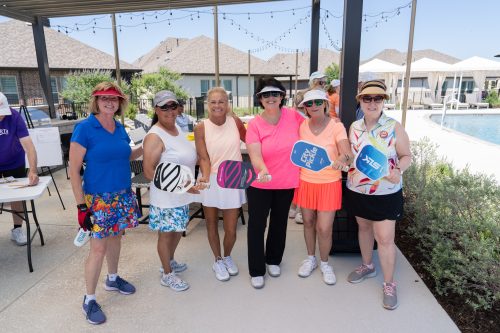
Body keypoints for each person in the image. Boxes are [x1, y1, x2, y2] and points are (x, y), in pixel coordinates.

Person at [69, 82, 143, 325]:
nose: (110, 103)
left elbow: (125, 156)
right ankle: (89, 299)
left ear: (120, 103)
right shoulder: (84, 128)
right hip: (98, 199)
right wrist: (82, 207)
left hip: (122, 195)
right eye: (104, 99)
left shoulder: (120, 128)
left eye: (114, 99)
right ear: (96, 101)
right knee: (98, 249)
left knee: (116, 239)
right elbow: (73, 170)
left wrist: (147, 145)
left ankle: (112, 278)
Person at [345, 80, 411, 310]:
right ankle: (367, 265)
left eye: (377, 98)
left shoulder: (394, 126)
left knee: (384, 239)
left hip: (386, 193)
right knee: (363, 229)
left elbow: (407, 156)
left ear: (384, 101)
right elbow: (353, 158)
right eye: (367, 98)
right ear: (360, 101)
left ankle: (389, 283)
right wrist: (341, 162)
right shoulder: (354, 127)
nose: (372, 102)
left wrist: (398, 170)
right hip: (358, 189)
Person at [245, 77, 305, 289]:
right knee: (256, 225)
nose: (271, 98)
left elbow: (311, 134)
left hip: (286, 181)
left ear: (281, 97)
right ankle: (256, 269)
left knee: (280, 224)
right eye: (266, 95)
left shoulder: (294, 117)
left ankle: (273, 260)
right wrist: (262, 169)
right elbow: (254, 154)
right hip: (260, 183)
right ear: (260, 99)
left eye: (275, 94)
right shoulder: (254, 125)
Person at [143, 90, 201, 292]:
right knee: (166, 235)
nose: (170, 110)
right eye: (164, 107)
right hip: (166, 198)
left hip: (182, 196)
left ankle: (170, 260)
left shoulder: (177, 128)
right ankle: (167, 274)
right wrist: (185, 185)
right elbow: (149, 172)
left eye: (173, 106)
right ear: (156, 109)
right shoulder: (154, 135)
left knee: (177, 230)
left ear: (179, 108)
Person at [294, 89, 353, 285]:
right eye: (309, 104)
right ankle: (311, 258)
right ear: (305, 108)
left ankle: (325, 263)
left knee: (324, 228)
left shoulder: (337, 126)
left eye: (318, 102)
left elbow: (347, 153)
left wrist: (341, 158)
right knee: (308, 222)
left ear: (326, 103)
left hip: (329, 183)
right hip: (305, 182)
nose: (314, 106)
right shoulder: (302, 126)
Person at [194, 87, 247, 282]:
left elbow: (252, 142)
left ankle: (227, 256)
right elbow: (203, 158)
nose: (217, 106)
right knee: (211, 223)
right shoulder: (201, 127)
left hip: (233, 177)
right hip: (212, 178)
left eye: (221, 102)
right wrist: (206, 178)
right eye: (213, 102)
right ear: (208, 105)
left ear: (227, 104)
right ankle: (217, 259)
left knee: (231, 228)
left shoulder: (236, 122)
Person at [0, 92, 39, 246]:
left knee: (17, 196)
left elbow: (29, 146)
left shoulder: (14, 116)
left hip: (14, 162)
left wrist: (33, 170)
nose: (1, 117)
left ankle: (17, 229)